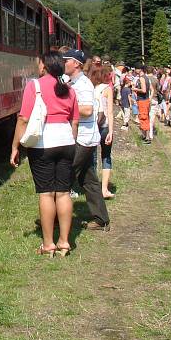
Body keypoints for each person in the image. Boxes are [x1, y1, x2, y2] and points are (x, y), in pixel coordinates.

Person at [10, 51, 78, 257]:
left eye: (40, 63)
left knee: (47, 193)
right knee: (64, 192)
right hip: (66, 142)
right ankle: (65, 242)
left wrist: (15, 147)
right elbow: (74, 121)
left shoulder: (35, 86)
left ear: (45, 66)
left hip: (42, 145)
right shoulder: (69, 89)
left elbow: (23, 119)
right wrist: (70, 140)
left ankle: (48, 244)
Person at [63, 50, 109, 230]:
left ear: (76, 64)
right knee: (88, 179)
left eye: (67, 60)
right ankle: (101, 219)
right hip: (85, 137)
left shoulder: (82, 84)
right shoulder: (73, 82)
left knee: (64, 177)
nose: (64, 63)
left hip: (82, 138)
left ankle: (55, 216)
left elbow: (88, 110)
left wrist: (65, 108)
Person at [91, 64, 116, 200]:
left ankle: (93, 189)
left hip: (93, 126)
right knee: (106, 156)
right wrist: (111, 131)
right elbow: (110, 112)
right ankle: (104, 189)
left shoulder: (92, 88)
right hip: (105, 126)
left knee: (93, 158)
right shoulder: (107, 89)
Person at [132, 65, 151, 143]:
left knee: (143, 117)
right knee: (144, 117)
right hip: (145, 100)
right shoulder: (146, 78)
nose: (135, 70)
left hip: (143, 100)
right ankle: (145, 135)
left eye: (136, 69)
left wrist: (135, 89)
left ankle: (147, 137)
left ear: (140, 70)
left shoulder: (142, 78)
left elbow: (144, 90)